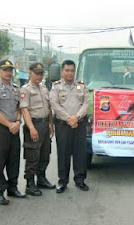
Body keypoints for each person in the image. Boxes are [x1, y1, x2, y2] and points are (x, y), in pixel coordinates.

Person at [0, 60, 26, 205]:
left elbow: (19, 108)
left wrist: (17, 122)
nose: (8, 72)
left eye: (10, 70)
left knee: (14, 159)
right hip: (0, 129)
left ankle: (12, 188)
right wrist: (10, 124)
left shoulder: (16, 88)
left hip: (14, 128)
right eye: (5, 70)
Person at [50, 60, 89, 193]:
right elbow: (54, 105)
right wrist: (69, 118)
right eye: (67, 70)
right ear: (62, 71)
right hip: (63, 125)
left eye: (72, 70)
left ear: (75, 71)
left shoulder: (82, 86)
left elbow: (86, 104)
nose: (69, 73)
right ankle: (62, 181)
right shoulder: (56, 87)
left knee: (80, 153)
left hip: (79, 124)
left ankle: (80, 180)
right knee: (63, 153)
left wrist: (76, 117)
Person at [20, 63, 56, 197]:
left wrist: (51, 124)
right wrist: (31, 128)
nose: (39, 76)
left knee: (45, 154)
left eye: (41, 73)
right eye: (36, 73)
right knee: (32, 155)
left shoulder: (44, 89)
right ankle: (30, 183)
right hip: (34, 125)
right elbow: (24, 110)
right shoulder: (25, 90)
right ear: (30, 73)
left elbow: (49, 108)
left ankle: (41, 179)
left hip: (45, 124)